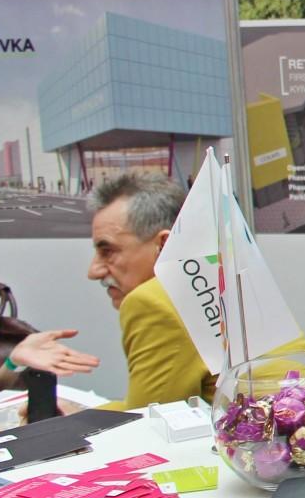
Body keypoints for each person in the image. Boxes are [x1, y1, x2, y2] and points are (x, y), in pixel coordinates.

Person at [85, 170, 217, 407]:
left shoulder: (152, 302)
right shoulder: (220, 274)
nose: (93, 271)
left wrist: (72, 417)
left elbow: (146, 421)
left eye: (108, 251)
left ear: (164, 245)